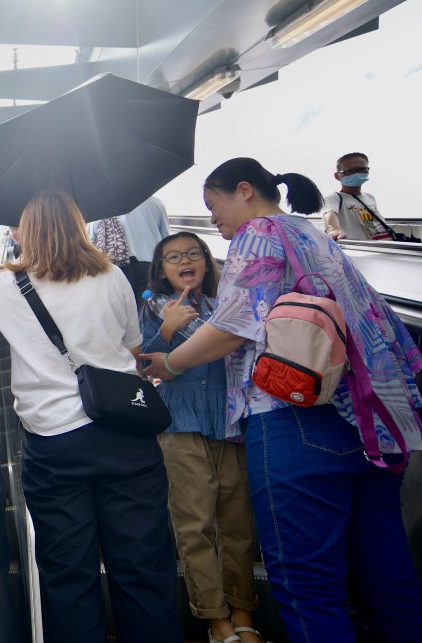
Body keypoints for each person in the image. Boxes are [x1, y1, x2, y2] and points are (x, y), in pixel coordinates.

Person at [141, 157, 422, 643]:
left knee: (308, 588)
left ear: (244, 190)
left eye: (214, 205)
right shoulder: (313, 236)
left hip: (293, 418)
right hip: (365, 423)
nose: (212, 219)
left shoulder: (259, 233)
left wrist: (170, 363)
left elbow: (233, 323)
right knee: (389, 581)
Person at [0, 190, 182, 643]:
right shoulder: (113, 276)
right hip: (126, 438)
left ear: (28, 232)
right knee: (144, 569)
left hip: (55, 445)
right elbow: (134, 349)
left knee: (68, 577)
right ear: (79, 225)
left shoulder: (5, 289)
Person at [140, 232, 262, 643]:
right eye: (172, 257)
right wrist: (167, 332)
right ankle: (216, 621)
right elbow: (143, 367)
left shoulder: (225, 304)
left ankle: (244, 613)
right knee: (195, 526)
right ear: (161, 270)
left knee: (239, 525)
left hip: (229, 426)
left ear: (207, 262)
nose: (184, 261)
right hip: (179, 426)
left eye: (193, 253)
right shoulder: (153, 307)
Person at [88, 196, 171, 304]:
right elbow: (166, 238)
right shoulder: (155, 202)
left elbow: (93, 239)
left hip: (118, 266)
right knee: (148, 307)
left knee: (124, 307)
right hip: (151, 263)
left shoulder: (103, 205)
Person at [321, 151, 390, 241]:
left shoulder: (370, 197)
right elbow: (328, 214)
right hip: (359, 250)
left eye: (362, 169)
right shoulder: (333, 199)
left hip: (383, 247)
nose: (356, 174)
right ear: (337, 176)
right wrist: (334, 230)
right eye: (350, 171)